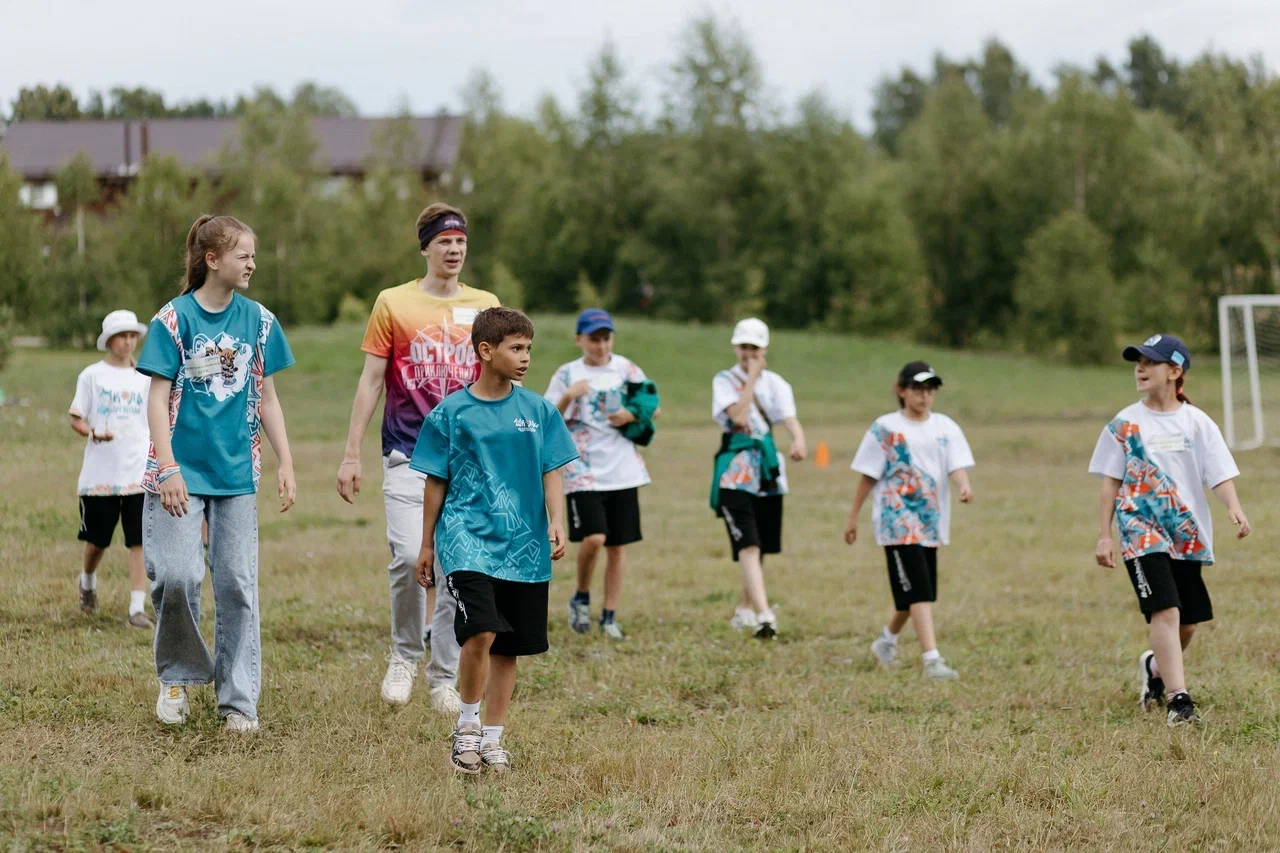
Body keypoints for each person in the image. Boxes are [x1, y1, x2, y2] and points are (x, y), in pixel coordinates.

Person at [335, 203, 499, 712]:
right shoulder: (394, 303)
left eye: (461, 241)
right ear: (426, 247)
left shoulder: (486, 304)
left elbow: (500, 379)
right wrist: (351, 454)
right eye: (444, 241)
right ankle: (405, 655)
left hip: (469, 460)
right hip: (408, 452)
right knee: (410, 557)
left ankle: (443, 677)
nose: (454, 249)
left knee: (456, 570)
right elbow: (371, 381)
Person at [136, 214, 296, 733]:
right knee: (177, 576)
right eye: (243, 255)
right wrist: (168, 468)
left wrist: (286, 462)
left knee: (238, 585)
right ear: (212, 260)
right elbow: (156, 399)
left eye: (253, 255)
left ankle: (238, 702)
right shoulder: (173, 319)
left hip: (237, 476)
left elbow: (267, 399)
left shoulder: (260, 321)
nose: (252, 264)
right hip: (177, 474)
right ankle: (177, 676)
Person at [410, 307, 578, 774]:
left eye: (529, 348)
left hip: (524, 547)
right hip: (466, 537)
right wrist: (427, 544)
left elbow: (552, 470)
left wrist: (556, 521)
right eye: (516, 348)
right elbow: (435, 481)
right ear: (486, 351)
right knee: (481, 630)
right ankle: (466, 727)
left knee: (509, 647)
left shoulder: (539, 411)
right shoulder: (450, 414)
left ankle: (493, 738)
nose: (526, 357)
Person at [1089, 334, 1250, 726]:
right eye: (1138, 362)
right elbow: (1110, 482)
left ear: (1175, 371)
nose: (1140, 369)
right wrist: (1105, 534)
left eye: (1150, 362)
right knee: (1166, 609)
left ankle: (1155, 668)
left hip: (1186, 534)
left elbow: (1218, 472)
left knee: (1188, 622)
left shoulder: (1197, 422)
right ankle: (1179, 700)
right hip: (1140, 531)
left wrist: (1234, 506)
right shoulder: (1124, 424)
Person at [845, 361, 974, 681]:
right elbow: (868, 475)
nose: (924, 396)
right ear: (901, 390)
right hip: (897, 521)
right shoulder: (885, 428)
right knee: (919, 591)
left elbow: (955, 464)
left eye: (930, 390)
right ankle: (932, 660)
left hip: (930, 520)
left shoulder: (945, 427)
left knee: (915, 592)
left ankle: (885, 642)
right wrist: (853, 517)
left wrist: (963, 484)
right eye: (918, 389)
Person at [545, 309, 656, 639]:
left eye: (606, 338)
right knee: (594, 538)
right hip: (582, 469)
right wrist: (568, 396)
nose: (601, 345)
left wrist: (630, 414)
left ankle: (609, 615)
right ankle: (581, 597)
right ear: (579, 340)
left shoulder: (627, 369)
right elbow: (547, 419)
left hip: (623, 469)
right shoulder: (567, 374)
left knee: (617, 546)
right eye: (594, 339)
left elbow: (652, 404)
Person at [710, 318, 807, 640]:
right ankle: (765, 615)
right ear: (735, 347)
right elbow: (737, 417)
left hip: (766, 471)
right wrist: (751, 378)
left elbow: (788, 417)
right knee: (748, 543)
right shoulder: (724, 380)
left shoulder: (777, 383)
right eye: (744, 347)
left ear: (764, 349)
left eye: (754, 347)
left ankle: (745, 608)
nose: (748, 353)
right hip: (735, 472)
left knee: (760, 544)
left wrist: (798, 439)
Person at [68, 309, 153, 628]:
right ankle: (87, 580)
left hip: (137, 473)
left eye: (132, 336)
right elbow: (76, 417)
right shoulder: (92, 376)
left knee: (138, 540)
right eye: (122, 337)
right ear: (109, 340)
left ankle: (136, 608)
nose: (128, 342)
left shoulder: (145, 376)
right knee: (98, 540)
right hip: (101, 475)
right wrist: (92, 432)